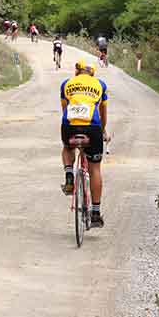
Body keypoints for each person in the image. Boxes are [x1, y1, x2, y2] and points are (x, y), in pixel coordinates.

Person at [60, 60, 109, 228]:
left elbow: (64, 109)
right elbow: (103, 113)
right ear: (92, 73)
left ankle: (69, 177)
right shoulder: (100, 84)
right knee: (95, 168)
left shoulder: (66, 84)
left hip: (70, 125)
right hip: (93, 127)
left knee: (67, 147)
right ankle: (95, 213)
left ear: (77, 71)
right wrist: (103, 131)